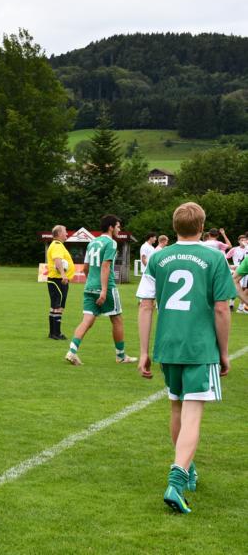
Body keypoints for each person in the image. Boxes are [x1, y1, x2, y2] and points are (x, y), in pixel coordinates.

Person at [135, 202, 237, 514]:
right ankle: (176, 481)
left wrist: (143, 352)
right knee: (192, 413)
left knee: (177, 407)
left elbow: (145, 305)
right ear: (202, 226)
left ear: (175, 226)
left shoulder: (158, 257)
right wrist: (223, 352)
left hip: (168, 346)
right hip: (199, 347)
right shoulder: (214, 257)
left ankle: (187, 466)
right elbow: (222, 308)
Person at [65, 214, 135, 366]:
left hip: (89, 287)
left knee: (86, 321)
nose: (119, 229)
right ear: (111, 227)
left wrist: (91, 282)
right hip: (106, 288)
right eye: (118, 226)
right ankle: (121, 356)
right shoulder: (111, 243)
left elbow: (85, 267)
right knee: (117, 320)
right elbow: (105, 266)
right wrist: (103, 290)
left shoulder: (92, 242)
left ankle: (71, 352)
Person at [46, 225, 75, 340]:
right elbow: (57, 260)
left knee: (54, 306)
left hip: (56, 280)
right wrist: (63, 275)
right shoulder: (57, 245)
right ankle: (56, 333)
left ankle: (53, 333)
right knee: (58, 306)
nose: (67, 234)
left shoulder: (56, 245)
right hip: (58, 280)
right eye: (65, 231)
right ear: (59, 234)